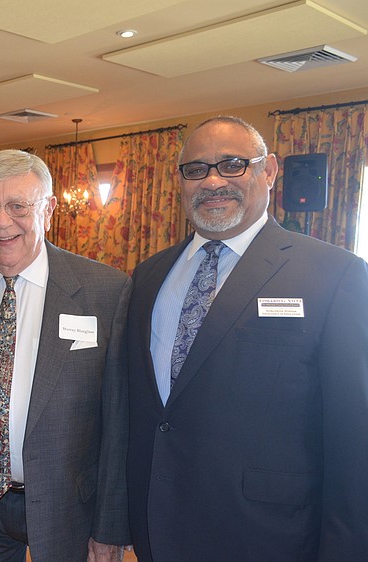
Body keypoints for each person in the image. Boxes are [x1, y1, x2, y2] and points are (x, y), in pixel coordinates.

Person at [126, 116, 368, 561]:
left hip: (269, 536)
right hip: (157, 526)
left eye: (233, 165)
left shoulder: (335, 277)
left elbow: (354, 441)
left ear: (270, 171)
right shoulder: (149, 276)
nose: (213, 181)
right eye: (196, 169)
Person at [0, 149, 131, 561]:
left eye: (18, 206)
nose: (2, 222)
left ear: (49, 210)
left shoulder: (106, 293)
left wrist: (111, 527)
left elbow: (119, 422)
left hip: (69, 507)